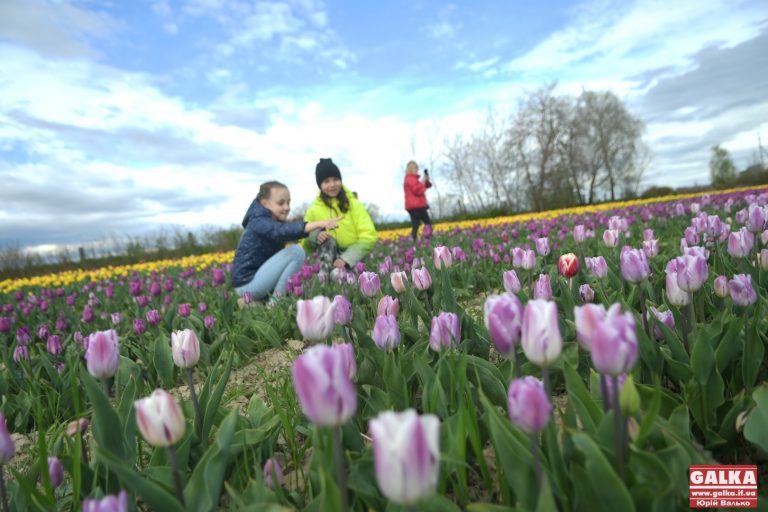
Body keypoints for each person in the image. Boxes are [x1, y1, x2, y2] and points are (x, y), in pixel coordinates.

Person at [231, 181, 340, 300]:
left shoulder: (270, 220)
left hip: (258, 280)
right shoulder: (258, 221)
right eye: (280, 203)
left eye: (288, 202)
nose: (287, 207)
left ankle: (264, 301)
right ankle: (275, 304)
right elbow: (281, 231)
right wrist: (319, 223)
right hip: (247, 286)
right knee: (295, 252)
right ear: (264, 203)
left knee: (299, 278)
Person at [304, 158, 378, 275]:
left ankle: (336, 277)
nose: (332, 185)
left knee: (338, 276)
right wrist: (315, 236)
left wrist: (346, 259)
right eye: (326, 181)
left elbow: (368, 236)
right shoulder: (313, 210)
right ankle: (322, 279)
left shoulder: (354, 204)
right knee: (328, 240)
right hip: (326, 258)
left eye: (335, 179)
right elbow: (304, 240)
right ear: (320, 185)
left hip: (351, 257)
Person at [403, 160, 432, 240]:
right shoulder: (410, 179)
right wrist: (423, 182)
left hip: (412, 207)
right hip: (417, 206)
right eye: (416, 168)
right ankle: (429, 238)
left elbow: (424, 187)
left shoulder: (411, 179)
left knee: (415, 225)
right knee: (427, 222)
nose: (417, 170)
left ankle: (413, 240)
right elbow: (417, 190)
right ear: (410, 169)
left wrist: (426, 181)